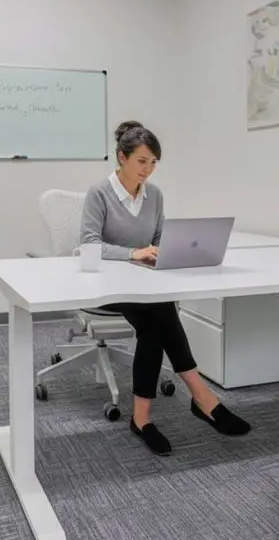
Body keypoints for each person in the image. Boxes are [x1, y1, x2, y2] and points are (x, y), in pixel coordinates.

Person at [79, 120, 251, 455]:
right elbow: (87, 244)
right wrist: (132, 253)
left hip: (145, 284)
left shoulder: (154, 195)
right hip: (109, 288)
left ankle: (143, 418)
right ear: (122, 157)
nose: (148, 169)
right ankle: (202, 399)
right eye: (142, 161)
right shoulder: (99, 193)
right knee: (158, 317)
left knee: (157, 315)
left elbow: (158, 240)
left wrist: (167, 253)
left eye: (154, 162)